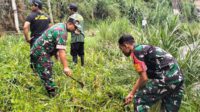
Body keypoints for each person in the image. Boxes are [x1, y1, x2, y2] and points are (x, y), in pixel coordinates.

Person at [118, 34, 184, 112]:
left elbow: (144, 78)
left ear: (125, 45)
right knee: (169, 109)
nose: (122, 51)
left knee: (139, 99)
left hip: (167, 77)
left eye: (121, 48)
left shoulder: (136, 52)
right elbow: (144, 78)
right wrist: (133, 92)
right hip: (178, 78)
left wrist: (133, 94)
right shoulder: (145, 49)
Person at [30, 17, 81, 97]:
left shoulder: (61, 25)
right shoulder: (62, 32)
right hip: (40, 51)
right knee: (46, 69)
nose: (75, 29)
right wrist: (66, 67)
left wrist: (57, 56)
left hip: (37, 49)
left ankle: (35, 83)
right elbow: (61, 51)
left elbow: (54, 43)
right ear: (70, 24)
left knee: (39, 69)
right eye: (75, 27)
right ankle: (52, 94)